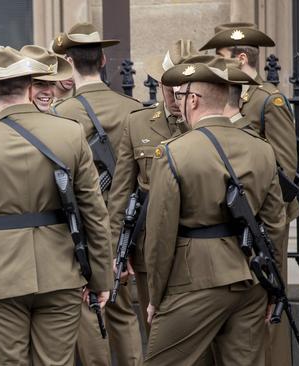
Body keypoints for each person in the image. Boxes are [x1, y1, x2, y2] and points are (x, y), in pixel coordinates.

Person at [0, 45, 112, 365]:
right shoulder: (70, 133)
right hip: (61, 272)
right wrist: (101, 278)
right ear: (29, 87)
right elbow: (94, 213)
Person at [143, 57, 286, 366]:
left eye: (182, 96)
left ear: (193, 100)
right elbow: (275, 224)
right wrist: (274, 286)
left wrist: (156, 297)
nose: (179, 103)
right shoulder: (261, 148)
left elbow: (159, 237)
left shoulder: (174, 151)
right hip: (251, 278)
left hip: (194, 279)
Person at [200, 24, 299, 366]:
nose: (216, 66)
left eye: (221, 58)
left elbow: (284, 170)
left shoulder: (267, 100)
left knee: (270, 301)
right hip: (235, 221)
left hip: (265, 220)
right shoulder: (233, 98)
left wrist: (264, 218)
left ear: (241, 58)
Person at [52, 22, 143, 366]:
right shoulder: (134, 108)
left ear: (69, 63)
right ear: (103, 60)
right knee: (122, 311)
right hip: (125, 225)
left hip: (81, 229)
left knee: (89, 308)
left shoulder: (61, 114)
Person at [107, 39, 195, 336]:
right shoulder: (139, 124)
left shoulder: (207, 124)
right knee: (155, 331)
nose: (174, 95)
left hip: (197, 247)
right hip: (149, 249)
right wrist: (114, 250)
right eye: (169, 86)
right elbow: (120, 193)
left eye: (182, 87)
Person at [19, 45, 73, 113]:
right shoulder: (6, 120)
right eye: (39, 84)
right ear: (21, 85)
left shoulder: (58, 117)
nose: (48, 92)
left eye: (52, 84)